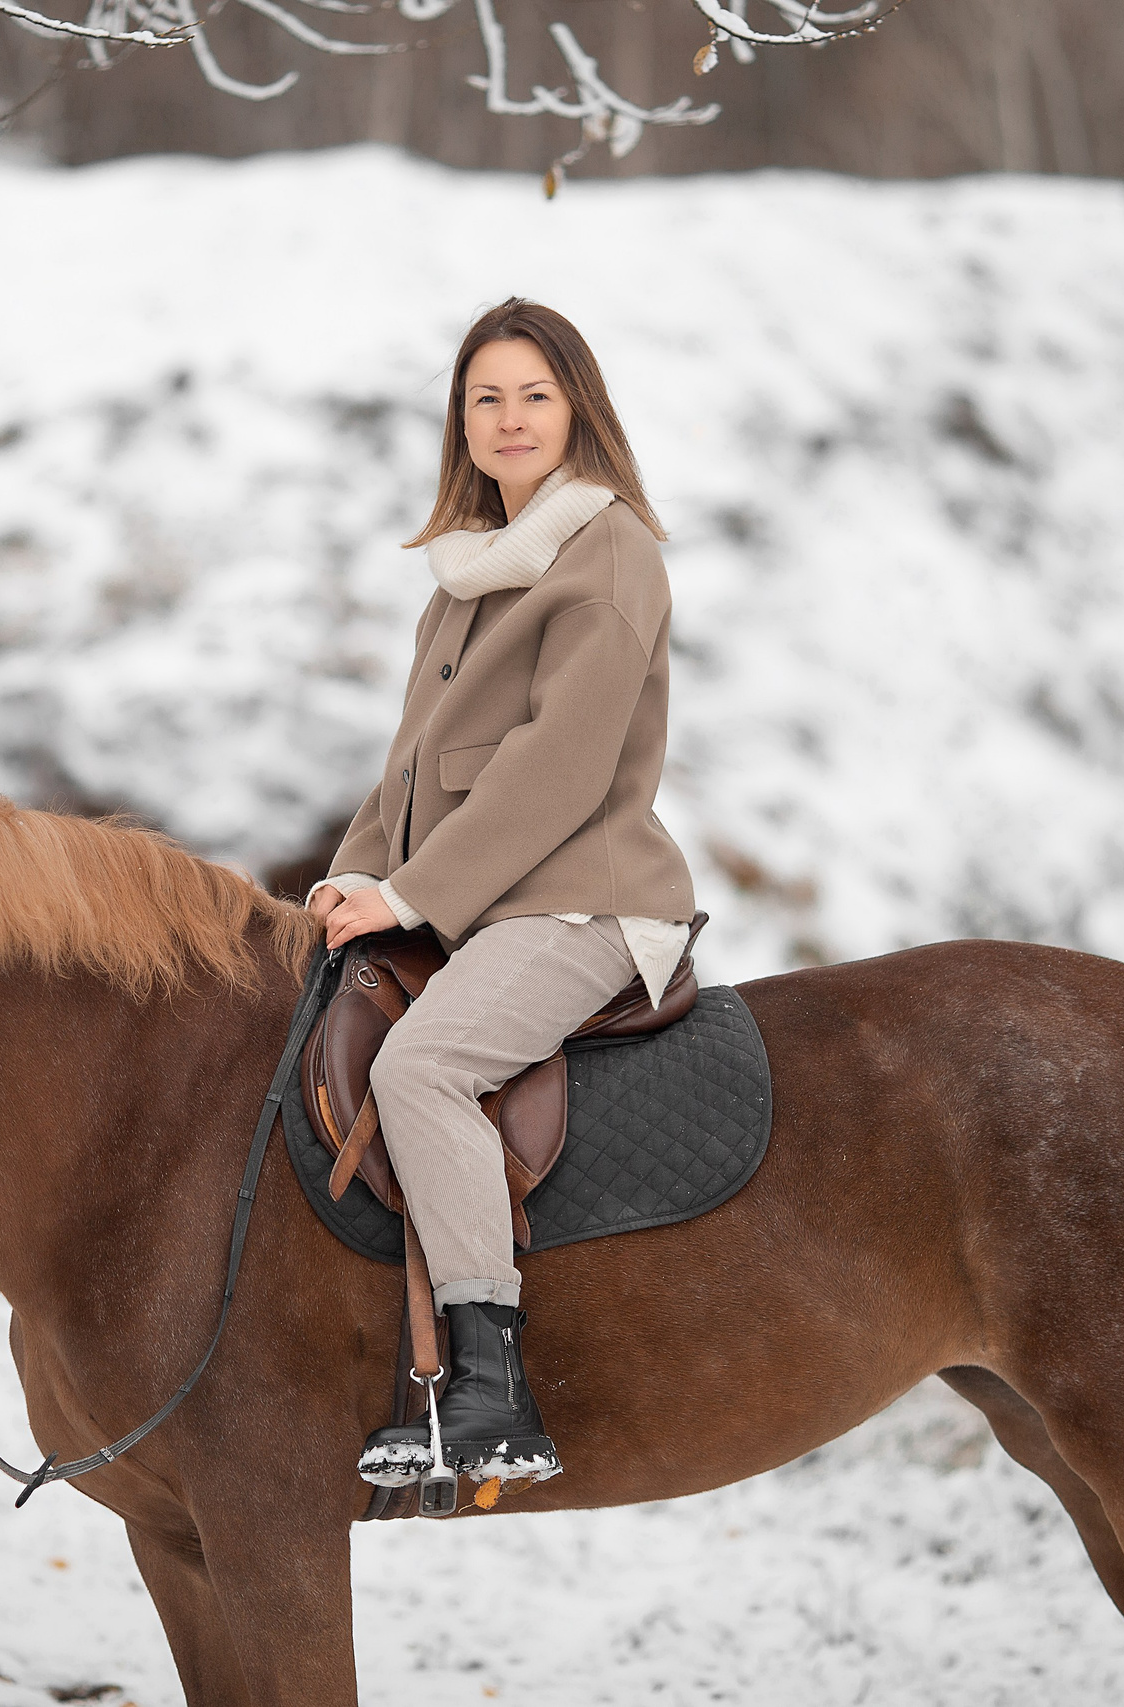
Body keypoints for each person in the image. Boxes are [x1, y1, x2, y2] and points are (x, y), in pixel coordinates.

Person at [307, 298, 696, 1488]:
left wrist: (414, 894)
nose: (510, 417)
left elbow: (559, 765)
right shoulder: (468, 577)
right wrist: (353, 877)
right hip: (477, 900)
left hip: (582, 900)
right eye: (486, 398)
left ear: (576, 407)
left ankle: (490, 1389)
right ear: (460, 426)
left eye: (534, 393)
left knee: (420, 1067)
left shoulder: (609, 549)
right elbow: (411, 765)